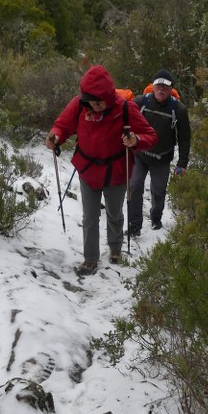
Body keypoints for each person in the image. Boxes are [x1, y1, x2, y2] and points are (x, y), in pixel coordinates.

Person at [45, 65, 158, 276]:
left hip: (116, 171)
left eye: (99, 102)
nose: (94, 106)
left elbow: (151, 136)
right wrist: (56, 135)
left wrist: (136, 140)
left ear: (108, 95)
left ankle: (115, 249)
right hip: (88, 170)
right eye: (91, 102)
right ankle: (90, 259)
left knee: (114, 214)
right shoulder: (80, 105)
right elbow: (63, 125)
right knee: (90, 217)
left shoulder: (126, 108)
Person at [128, 68, 191, 235]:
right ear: (152, 86)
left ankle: (155, 218)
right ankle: (134, 225)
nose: (161, 89)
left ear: (171, 89)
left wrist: (182, 163)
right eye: (158, 85)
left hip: (162, 158)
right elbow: (124, 121)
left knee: (159, 190)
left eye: (165, 86)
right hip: (140, 155)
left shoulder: (179, 110)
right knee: (134, 186)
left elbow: (185, 138)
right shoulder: (141, 102)